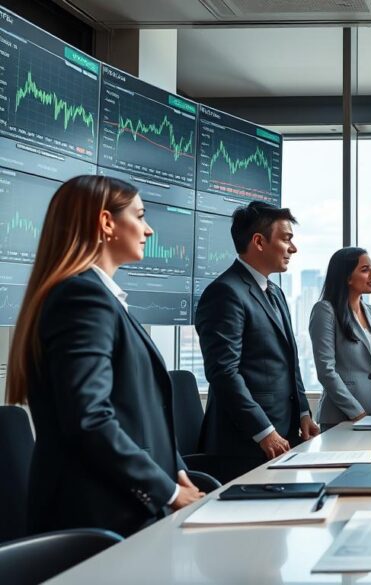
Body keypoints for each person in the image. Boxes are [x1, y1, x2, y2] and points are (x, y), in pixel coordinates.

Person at [6, 176, 203, 536]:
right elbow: (90, 418)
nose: (149, 230)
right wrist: (169, 491)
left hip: (125, 508)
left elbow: (141, 410)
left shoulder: (97, 296)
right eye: (140, 216)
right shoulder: (83, 298)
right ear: (106, 223)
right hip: (101, 519)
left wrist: (175, 471)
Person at [196, 202, 318, 472]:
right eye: (286, 239)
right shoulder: (225, 293)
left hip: (284, 436)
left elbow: (290, 359)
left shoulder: (275, 291)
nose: (293, 249)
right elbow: (223, 373)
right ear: (259, 242)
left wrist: (303, 413)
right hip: (245, 444)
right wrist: (264, 432)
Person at [309, 247, 371, 429]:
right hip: (341, 416)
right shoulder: (325, 311)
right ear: (347, 277)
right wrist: (357, 412)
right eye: (365, 270)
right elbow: (326, 371)